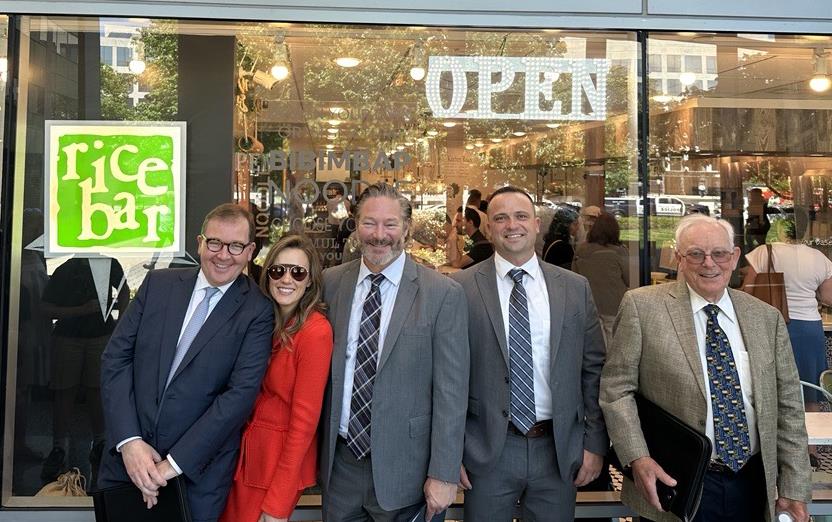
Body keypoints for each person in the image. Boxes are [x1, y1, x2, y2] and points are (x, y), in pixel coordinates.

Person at [601, 214, 811, 522]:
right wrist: (637, 457)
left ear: (735, 256)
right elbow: (616, 390)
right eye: (696, 254)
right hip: (673, 484)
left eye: (719, 254)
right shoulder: (642, 307)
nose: (709, 263)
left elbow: (789, 406)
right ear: (679, 258)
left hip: (750, 483)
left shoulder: (765, 317)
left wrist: (794, 487)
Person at [97, 203, 275, 522]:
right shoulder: (158, 285)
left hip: (194, 476)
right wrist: (130, 442)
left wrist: (171, 465)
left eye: (235, 246)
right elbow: (116, 358)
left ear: (250, 251)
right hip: (129, 464)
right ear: (200, 243)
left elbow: (239, 396)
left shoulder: (257, 311)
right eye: (215, 243)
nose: (223, 255)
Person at [451, 186, 607, 521]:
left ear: (536, 224)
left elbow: (593, 369)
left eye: (521, 216)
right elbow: (448, 377)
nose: (512, 225)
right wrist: (450, 452)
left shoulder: (574, 288)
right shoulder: (460, 289)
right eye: (500, 218)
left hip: (557, 448)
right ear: (489, 228)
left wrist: (594, 444)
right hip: (486, 448)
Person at [319, 182, 469, 522]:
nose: (379, 235)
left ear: (406, 228)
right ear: (356, 225)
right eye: (369, 223)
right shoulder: (330, 284)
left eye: (390, 224)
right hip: (340, 469)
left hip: (409, 472)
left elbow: (452, 391)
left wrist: (444, 473)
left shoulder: (442, 294)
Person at [221, 234, 333, 522]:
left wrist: (278, 503)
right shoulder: (264, 319)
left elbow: (304, 424)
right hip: (244, 458)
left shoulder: (315, 332)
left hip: (273, 465)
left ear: (310, 280)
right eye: (278, 270)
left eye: (297, 272)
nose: (287, 279)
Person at [743, 218, 832, 465]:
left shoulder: (764, 252)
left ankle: (768, 450)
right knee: (810, 391)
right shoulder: (818, 258)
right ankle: (810, 451)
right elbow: (828, 297)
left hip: (772, 324)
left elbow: (746, 292)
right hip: (808, 329)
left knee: (768, 388)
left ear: (780, 231)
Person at [40, 256, 129, 487]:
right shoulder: (66, 269)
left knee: (95, 391)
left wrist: (119, 324)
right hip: (69, 337)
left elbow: (124, 291)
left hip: (97, 335)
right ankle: (60, 447)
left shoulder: (109, 263)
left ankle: (98, 443)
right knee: (65, 393)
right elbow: (45, 308)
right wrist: (82, 310)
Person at [573, 211, 630, 346]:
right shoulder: (620, 251)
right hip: (614, 305)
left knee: (595, 345)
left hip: (589, 304)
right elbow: (629, 279)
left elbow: (574, 276)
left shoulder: (581, 250)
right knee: (613, 346)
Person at [542, 205, 579, 270]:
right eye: (575, 224)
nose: (578, 228)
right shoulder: (563, 247)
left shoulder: (551, 240)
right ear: (566, 225)